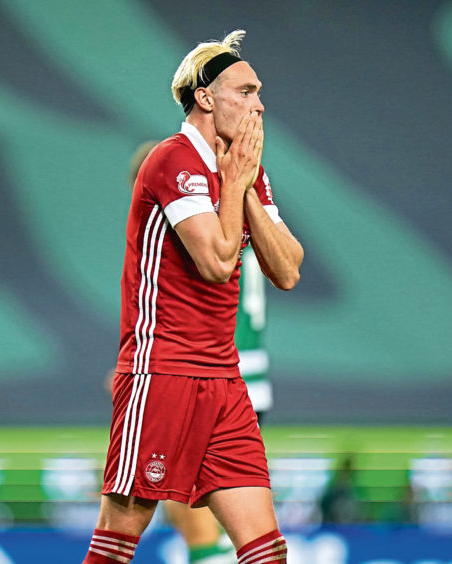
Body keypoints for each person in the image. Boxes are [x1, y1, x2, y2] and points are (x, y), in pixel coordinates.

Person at [84, 30, 303, 564]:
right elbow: (217, 262)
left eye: (258, 92)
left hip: (225, 382)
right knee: (118, 540)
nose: (259, 103)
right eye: (245, 91)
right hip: (162, 374)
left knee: (266, 550)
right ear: (205, 97)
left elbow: (289, 269)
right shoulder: (172, 160)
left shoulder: (245, 173)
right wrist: (235, 184)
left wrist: (245, 187)